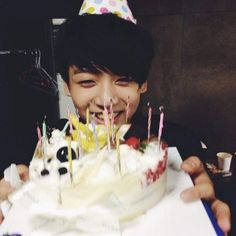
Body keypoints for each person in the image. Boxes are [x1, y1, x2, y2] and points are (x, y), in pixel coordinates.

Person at [0, 13, 231, 234]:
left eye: (124, 80)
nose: (106, 100)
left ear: (142, 84)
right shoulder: (41, 149)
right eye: (88, 81)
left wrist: (214, 202)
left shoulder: (179, 144)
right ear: (67, 87)